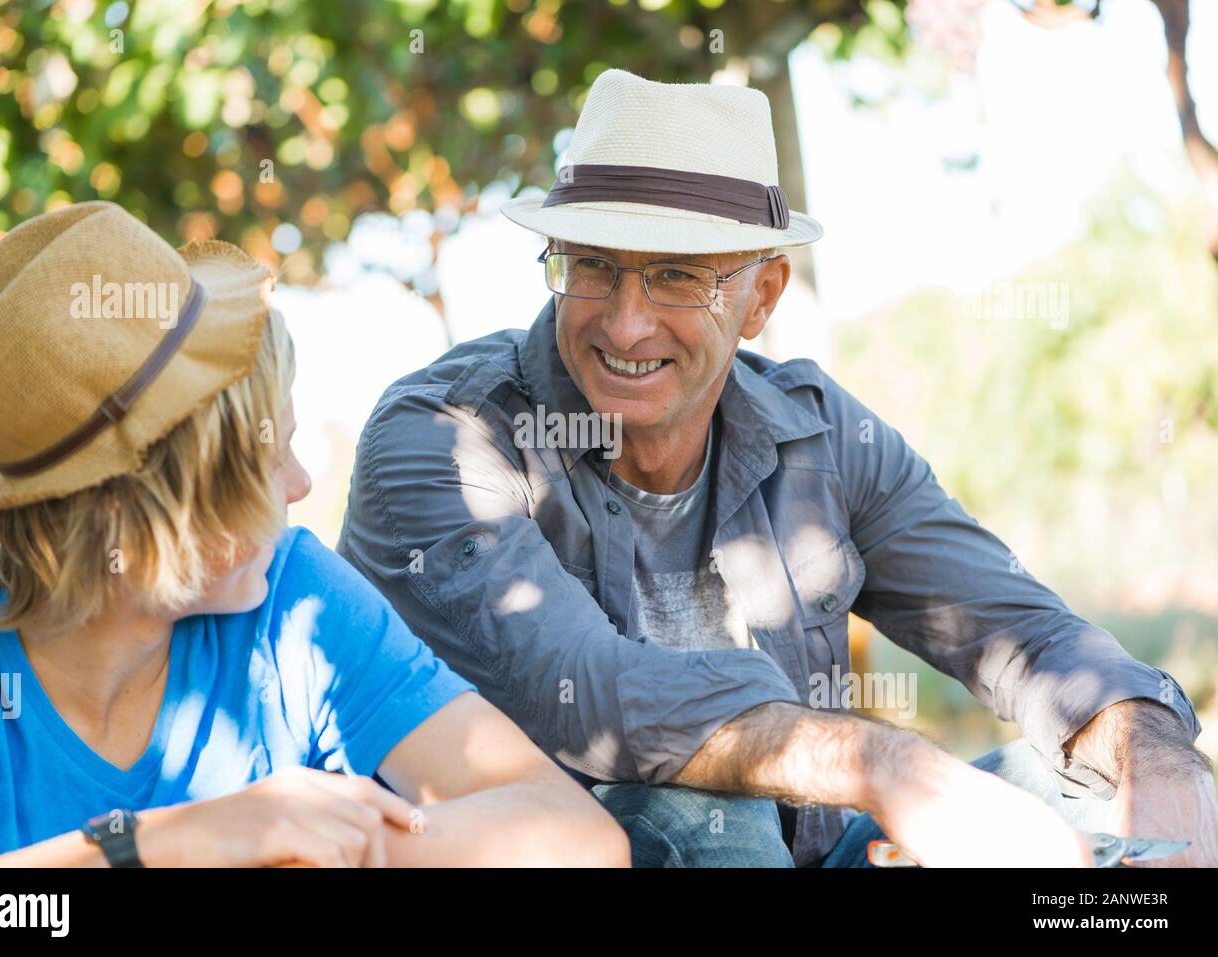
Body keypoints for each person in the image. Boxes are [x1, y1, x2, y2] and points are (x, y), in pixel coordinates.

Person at [337, 68, 1217, 867]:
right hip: (574, 853)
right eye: (593, 268)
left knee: (1096, 797)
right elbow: (586, 693)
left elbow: (1028, 637)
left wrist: (1155, 754)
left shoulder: (823, 434)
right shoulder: (444, 439)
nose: (625, 323)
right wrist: (881, 760)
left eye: (678, 277)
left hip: (808, 855)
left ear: (761, 298)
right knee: (709, 821)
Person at [0, 201, 629, 868]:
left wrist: (310, 847)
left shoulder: (295, 602)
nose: (300, 483)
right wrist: (162, 843)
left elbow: (580, 838)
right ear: (154, 504)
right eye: (269, 455)